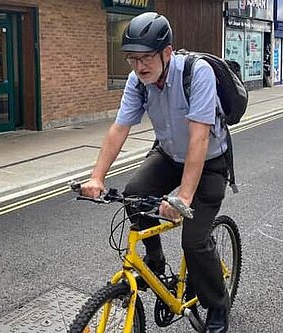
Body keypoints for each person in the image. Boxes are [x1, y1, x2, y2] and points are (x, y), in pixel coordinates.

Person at [81, 12, 231, 333]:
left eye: (146, 57)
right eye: (132, 59)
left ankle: (218, 305)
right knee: (134, 195)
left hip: (209, 163)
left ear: (167, 52)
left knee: (194, 242)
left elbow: (199, 137)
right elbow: (119, 128)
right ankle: (155, 259)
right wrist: (97, 177)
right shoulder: (139, 82)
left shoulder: (196, 73)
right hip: (168, 154)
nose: (139, 66)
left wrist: (184, 196)